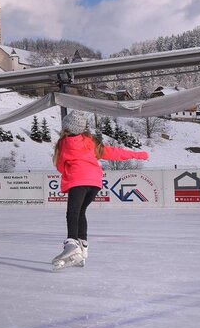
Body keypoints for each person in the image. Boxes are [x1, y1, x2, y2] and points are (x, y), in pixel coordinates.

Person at [51, 110, 149, 270]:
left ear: (66, 128)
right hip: (95, 182)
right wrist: (138, 155)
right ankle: (82, 251)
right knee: (81, 212)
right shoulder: (90, 142)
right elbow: (113, 153)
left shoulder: (64, 144)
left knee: (73, 213)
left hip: (78, 180)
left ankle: (71, 243)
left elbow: (60, 165)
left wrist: (67, 171)